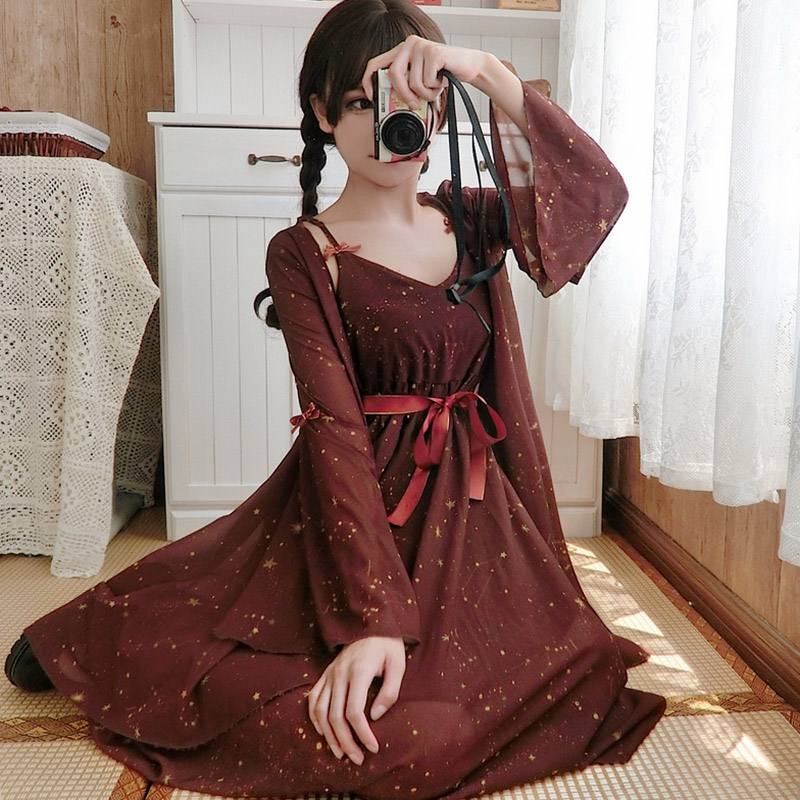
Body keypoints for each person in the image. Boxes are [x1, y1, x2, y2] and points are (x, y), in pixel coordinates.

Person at [5, 0, 665, 797]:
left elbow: (596, 195)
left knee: (563, 669)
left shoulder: (473, 219)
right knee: (379, 737)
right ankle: (90, 635)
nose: (392, 123)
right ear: (322, 113)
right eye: (362, 102)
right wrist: (372, 619)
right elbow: (336, 428)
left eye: (414, 99)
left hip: (480, 516)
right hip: (355, 511)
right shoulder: (306, 253)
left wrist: (487, 74)